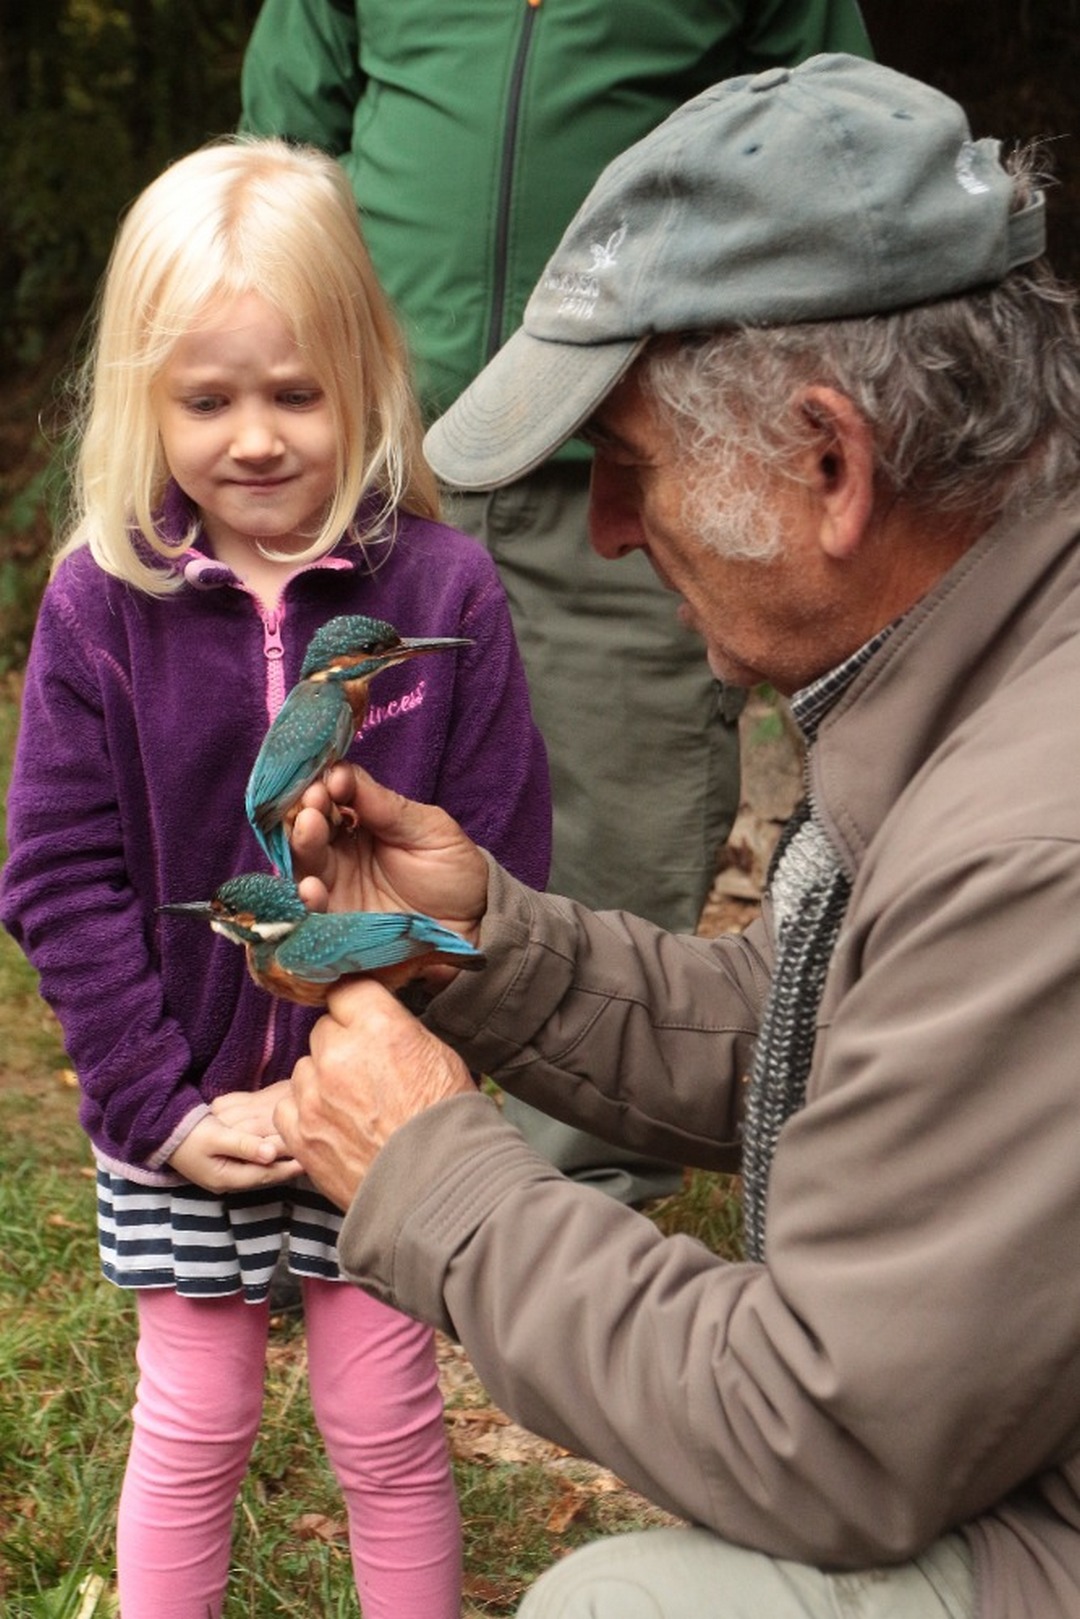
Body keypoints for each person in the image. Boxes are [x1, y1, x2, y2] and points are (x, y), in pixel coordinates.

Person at [270, 55, 1080, 1619]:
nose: (609, 530)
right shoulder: (994, 661)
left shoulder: (1034, 840)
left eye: (631, 469)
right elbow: (832, 1035)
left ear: (831, 465)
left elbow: (822, 1428)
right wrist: (481, 942)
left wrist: (434, 1172)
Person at [0, 137, 550, 1619]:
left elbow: (501, 861)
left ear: (367, 376)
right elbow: (58, 875)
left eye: (295, 394)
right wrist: (160, 1108)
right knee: (196, 1421)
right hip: (185, 1118)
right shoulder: (100, 603)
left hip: (382, 1104)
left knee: (389, 1419)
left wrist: (394, 1063)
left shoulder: (444, 593)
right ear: (145, 399)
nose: (253, 439)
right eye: (207, 400)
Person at [238, 0, 874, 1207]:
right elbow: (279, 142)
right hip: (373, 452)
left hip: (632, 455)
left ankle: (573, 1207)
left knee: (617, 820)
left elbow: (829, 151)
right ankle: (301, 1167)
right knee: (329, 825)